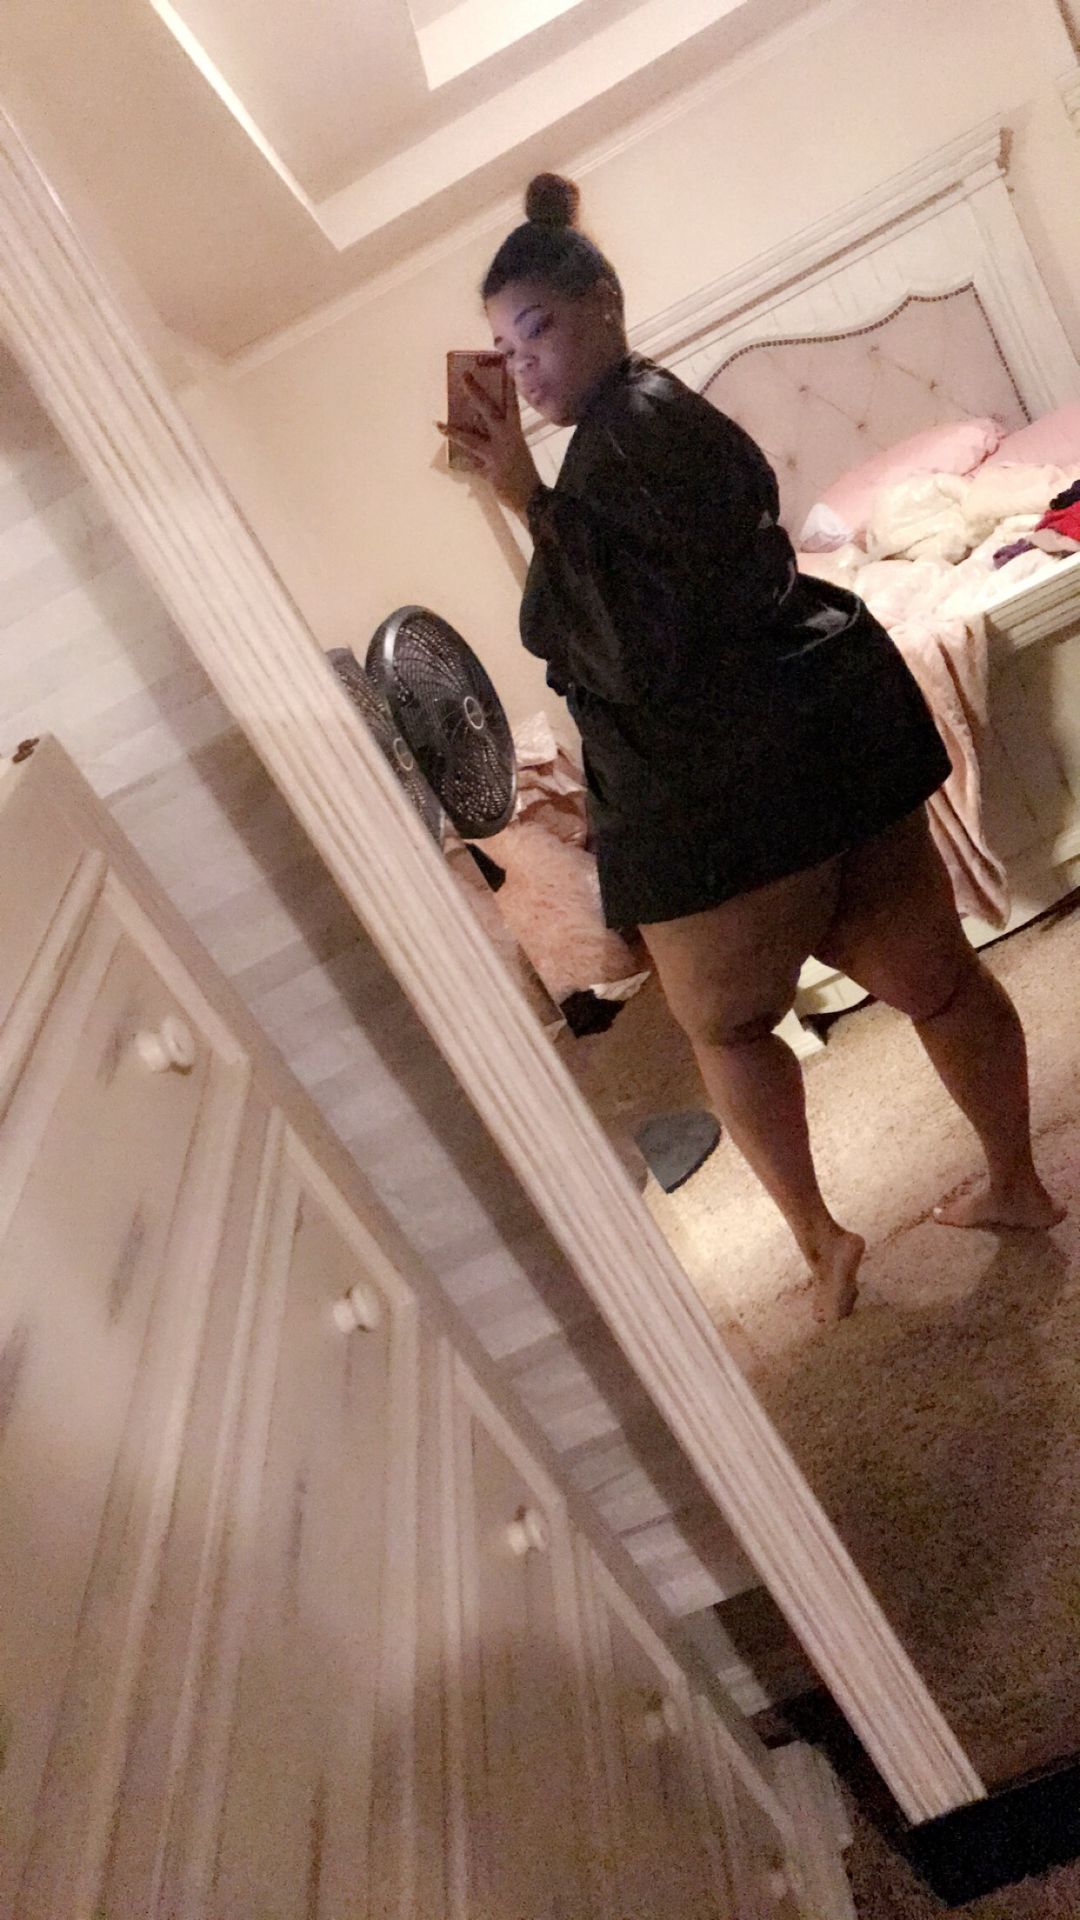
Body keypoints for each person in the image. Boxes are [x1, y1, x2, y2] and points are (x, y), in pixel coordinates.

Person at [438, 171, 1062, 1321]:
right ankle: (1016, 1182)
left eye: (539, 330)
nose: (521, 366)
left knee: (725, 1027)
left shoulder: (613, 448)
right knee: (938, 982)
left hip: (718, 791)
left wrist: (525, 494)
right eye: (503, 349)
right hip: (828, 735)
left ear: (605, 304)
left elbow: (630, 652)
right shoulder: (663, 415)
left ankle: (824, 1242)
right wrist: (527, 495)